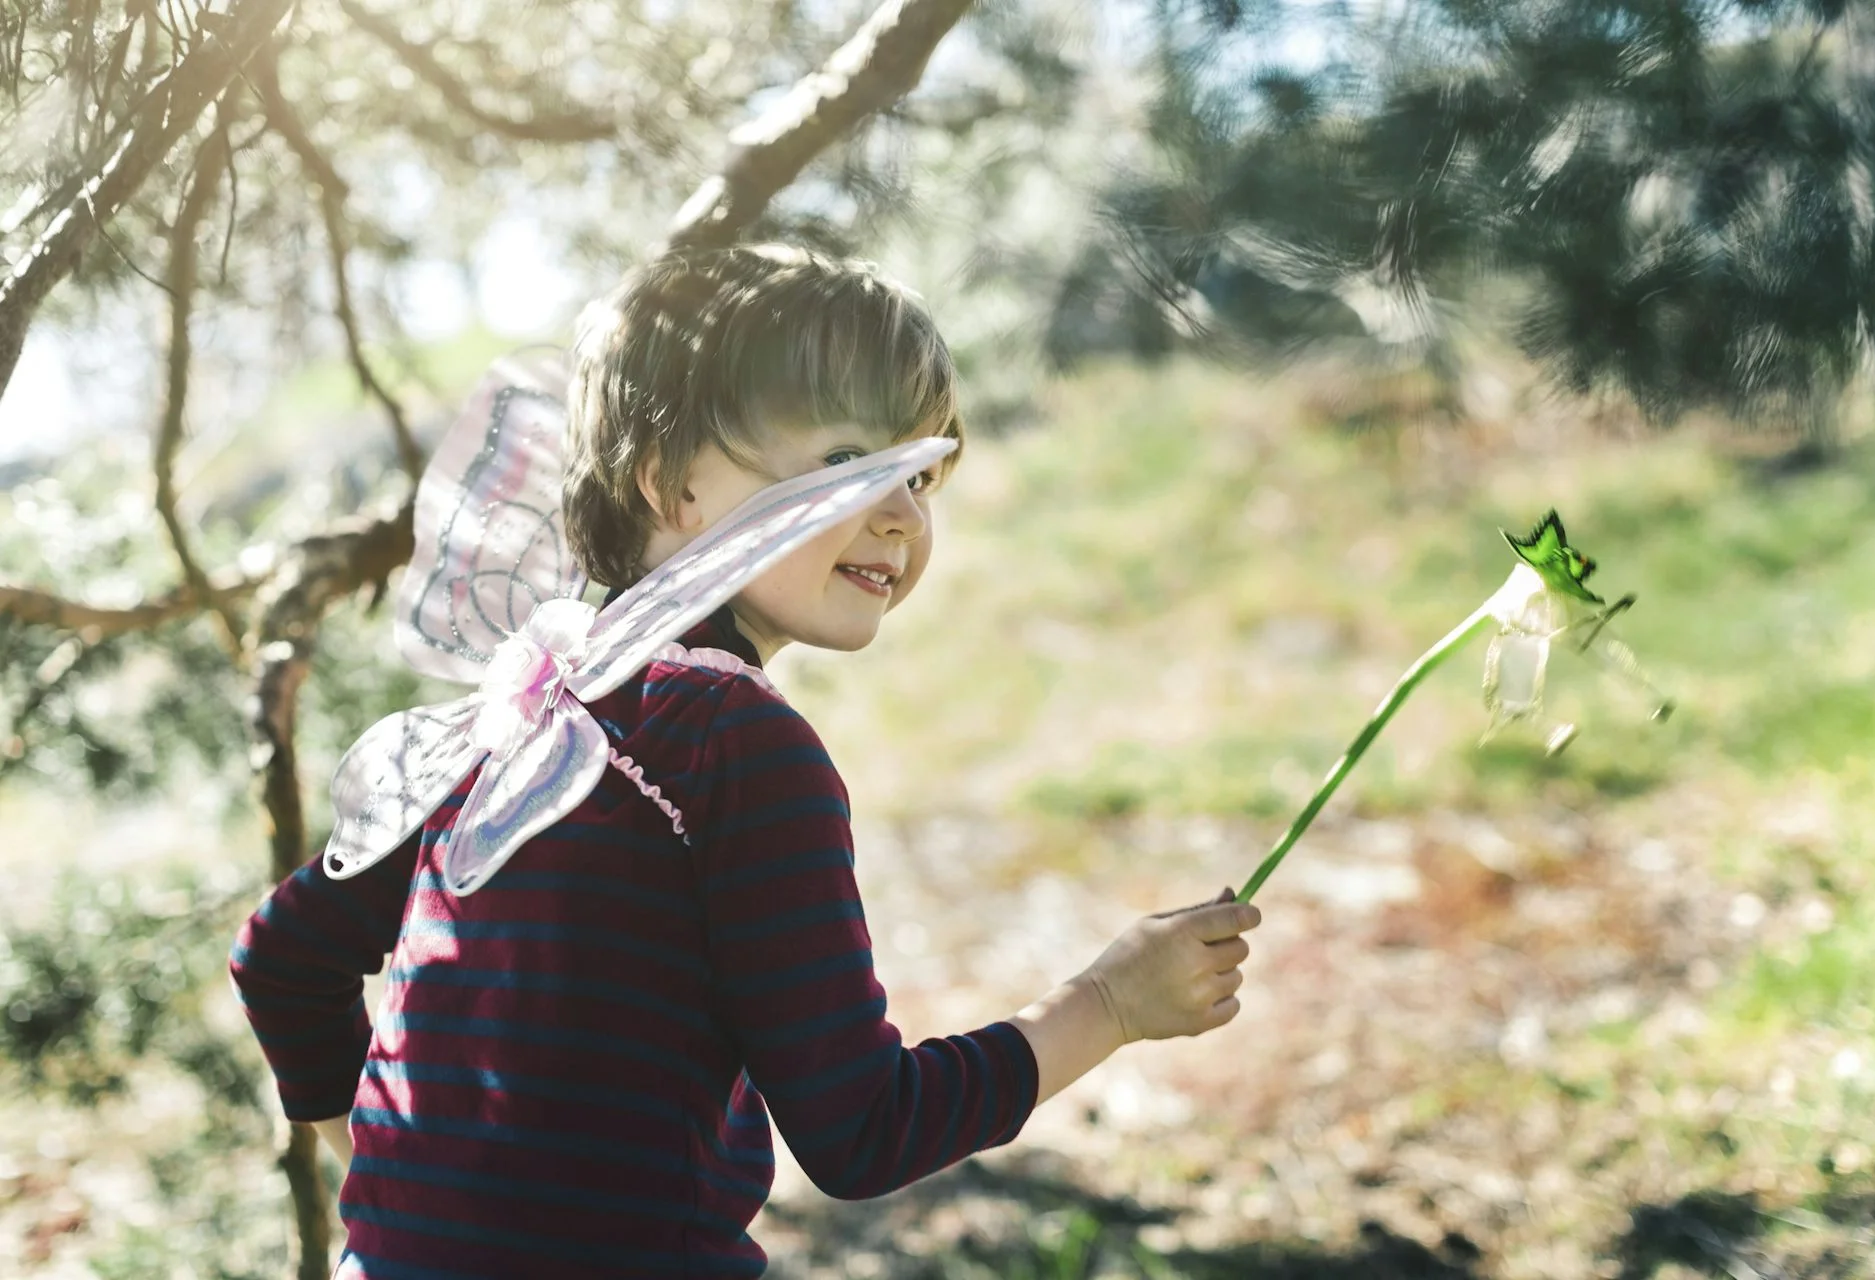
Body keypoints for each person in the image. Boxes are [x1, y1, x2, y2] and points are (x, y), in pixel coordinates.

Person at [229, 243, 1263, 1279]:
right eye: (848, 461)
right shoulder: (739, 743)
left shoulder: (514, 714)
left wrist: (413, 1206)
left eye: (924, 470)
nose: (903, 512)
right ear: (673, 485)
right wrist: (1111, 1003)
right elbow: (862, 1128)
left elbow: (285, 957)